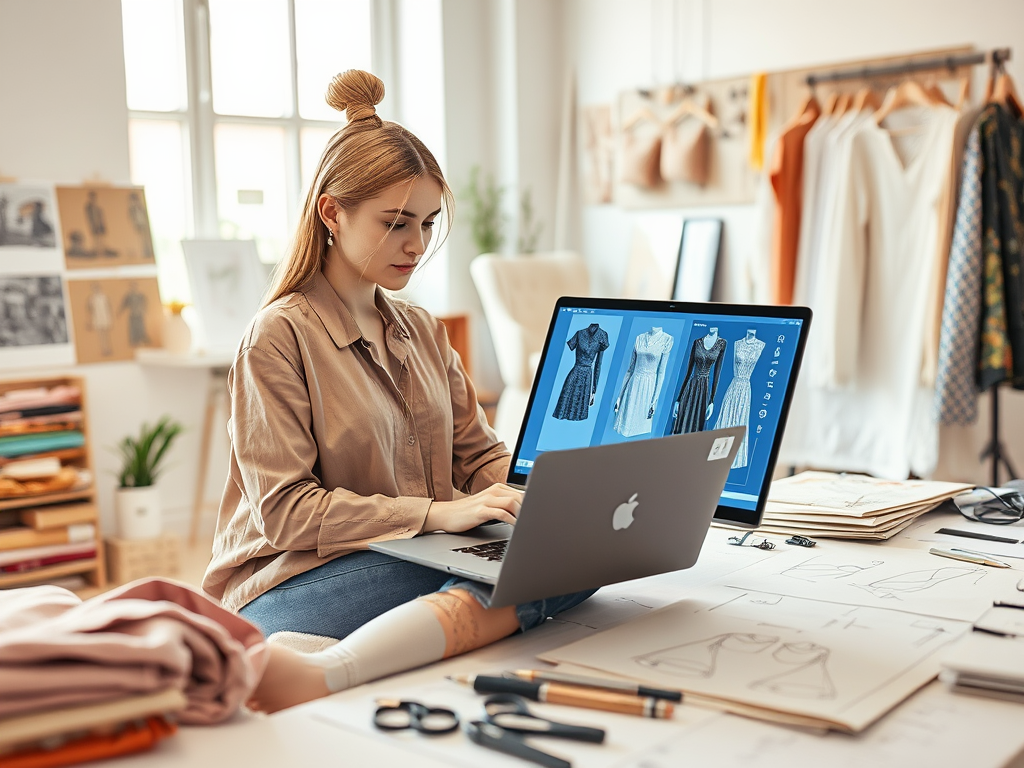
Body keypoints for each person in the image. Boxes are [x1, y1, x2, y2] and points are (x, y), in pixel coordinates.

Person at [201, 69, 594, 714]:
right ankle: (365, 655)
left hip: (416, 550)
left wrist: (541, 497)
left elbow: (477, 455)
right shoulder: (277, 336)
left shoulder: (420, 328)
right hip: (287, 584)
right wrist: (434, 516)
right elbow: (287, 514)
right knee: (459, 566)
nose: (417, 245)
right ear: (332, 212)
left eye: (429, 222)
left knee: (575, 555)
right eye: (395, 222)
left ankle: (441, 626)